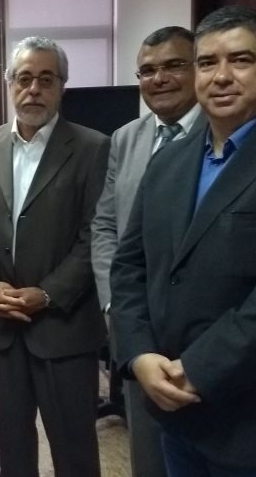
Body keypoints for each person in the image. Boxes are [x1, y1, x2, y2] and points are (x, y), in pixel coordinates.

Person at [110, 5, 256, 475]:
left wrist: (195, 369)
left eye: (240, 60)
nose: (221, 77)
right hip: (173, 410)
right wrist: (139, 354)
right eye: (207, 62)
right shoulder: (169, 160)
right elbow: (131, 264)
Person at [0, 36, 109, 477]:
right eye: (24, 78)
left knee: (74, 449)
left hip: (65, 326)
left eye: (46, 80)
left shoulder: (93, 147)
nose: (33, 90)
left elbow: (95, 236)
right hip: (6, 323)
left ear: (62, 86)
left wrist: (46, 294)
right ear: (9, 83)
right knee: (12, 445)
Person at [91, 25, 204, 477]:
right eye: (148, 70)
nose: (159, 79)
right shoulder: (125, 138)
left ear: (198, 68)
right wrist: (116, 306)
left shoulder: (222, 133)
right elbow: (105, 225)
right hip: (137, 328)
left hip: (204, 333)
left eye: (174, 66)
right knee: (149, 456)